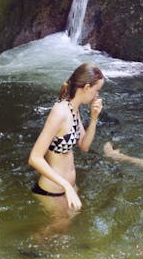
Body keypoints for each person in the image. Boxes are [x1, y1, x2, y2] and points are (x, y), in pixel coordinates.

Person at [28, 63, 104, 218]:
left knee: (66, 230)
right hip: (52, 190)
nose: (97, 95)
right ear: (87, 87)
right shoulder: (60, 112)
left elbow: (84, 145)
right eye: (97, 90)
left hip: (67, 187)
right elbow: (34, 158)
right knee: (54, 232)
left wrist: (94, 119)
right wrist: (66, 186)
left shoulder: (73, 109)